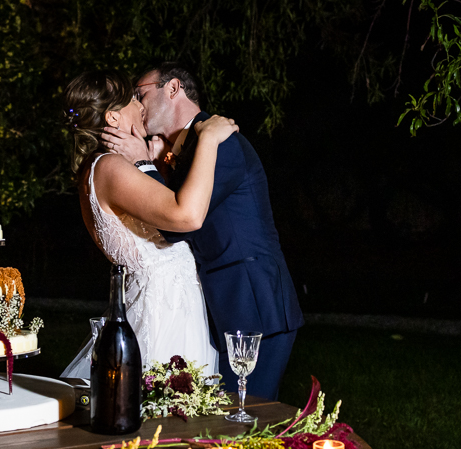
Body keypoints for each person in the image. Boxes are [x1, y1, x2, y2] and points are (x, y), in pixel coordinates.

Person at [102, 62, 304, 403]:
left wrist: (143, 165)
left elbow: (175, 223)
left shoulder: (218, 142)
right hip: (224, 306)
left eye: (140, 94)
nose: (136, 104)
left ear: (173, 88)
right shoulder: (187, 148)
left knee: (243, 416)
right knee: (219, 419)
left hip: (254, 306)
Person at [59, 70, 239, 378]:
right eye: (131, 97)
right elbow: (186, 216)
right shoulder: (111, 167)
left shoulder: (101, 166)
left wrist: (156, 164)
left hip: (169, 307)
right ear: (112, 117)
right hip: (163, 317)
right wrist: (208, 138)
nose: (140, 104)